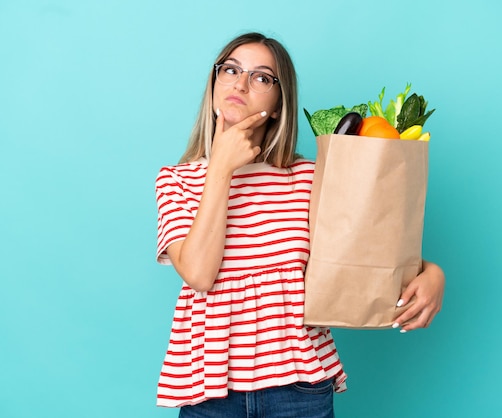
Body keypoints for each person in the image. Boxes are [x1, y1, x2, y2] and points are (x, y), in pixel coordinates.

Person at [154, 32, 445, 418]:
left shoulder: (309, 177)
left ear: (278, 104)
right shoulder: (176, 180)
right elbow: (200, 274)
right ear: (213, 85)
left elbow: (368, 251)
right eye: (230, 70)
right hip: (210, 392)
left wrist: (433, 273)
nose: (240, 83)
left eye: (261, 77)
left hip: (300, 389)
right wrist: (220, 168)